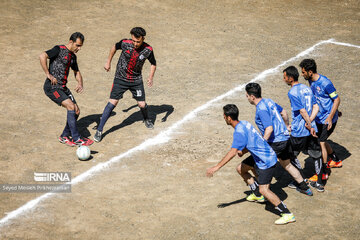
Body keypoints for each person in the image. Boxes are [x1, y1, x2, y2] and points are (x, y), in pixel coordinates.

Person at [206, 104, 296, 225]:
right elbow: (254, 140)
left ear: (228, 118)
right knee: (240, 169)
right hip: (261, 156)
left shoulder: (238, 131)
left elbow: (232, 152)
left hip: (266, 161)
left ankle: (287, 214)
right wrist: (243, 151)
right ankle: (258, 195)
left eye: (224, 116)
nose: (223, 118)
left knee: (264, 189)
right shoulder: (245, 123)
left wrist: (216, 167)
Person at [245, 83, 312, 196]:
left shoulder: (261, 109)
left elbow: (269, 129)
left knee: (258, 164)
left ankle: (263, 193)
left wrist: (261, 144)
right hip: (285, 139)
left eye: (247, 95)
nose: (246, 98)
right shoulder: (269, 101)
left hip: (275, 142)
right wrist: (286, 126)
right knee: (287, 164)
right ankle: (304, 187)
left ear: (252, 96)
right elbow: (284, 113)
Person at [94, 27, 157, 142]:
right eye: (134, 41)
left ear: (143, 39)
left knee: (142, 104)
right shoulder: (125, 43)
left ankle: (146, 119)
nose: (135, 44)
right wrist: (108, 61)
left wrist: (150, 77)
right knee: (113, 103)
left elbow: (153, 63)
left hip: (136, 80)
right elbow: (114, 47)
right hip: (120, 78)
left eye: (138, 41)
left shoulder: (148, 50)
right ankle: (99, 130)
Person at [40, 32, 94, 146]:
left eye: (80, 46)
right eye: (77, 45)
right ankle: (76, 138)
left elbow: (77, 71)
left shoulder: (73, 57)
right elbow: (42, 56)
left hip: (63, 87)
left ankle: (64, 136)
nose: (79, 48)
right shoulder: (58, 49)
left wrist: (80, 83)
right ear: (71, 42)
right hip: (52, 87)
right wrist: (48, 74)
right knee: (70, 106)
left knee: (76, 111)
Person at [283, 66, 326, 192]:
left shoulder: (292, 92)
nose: (283, 79)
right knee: (316, 155)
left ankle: (301, 179)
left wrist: (308, 123)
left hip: (299, 130)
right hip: (311, 129)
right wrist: (312, 123)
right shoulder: (307, 88)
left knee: (290, 155)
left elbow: (302, 111)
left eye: (284, 77)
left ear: (290, 78)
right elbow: (316, 106)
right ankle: (319, 183)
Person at [299, 59, 342, 169]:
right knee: (319, 140)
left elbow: (336, 99)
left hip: (326, 119)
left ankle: (323, 171)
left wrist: (331, 116)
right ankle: (335, 159)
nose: (302, 74)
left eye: (303, 72)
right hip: (318, 117)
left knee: (321, 143)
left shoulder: (326, 83)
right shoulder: (311, 80)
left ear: (310, 72)